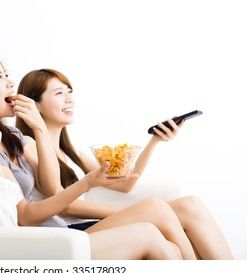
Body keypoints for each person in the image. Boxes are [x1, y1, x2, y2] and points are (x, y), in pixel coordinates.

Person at [0, 65, 181, 260]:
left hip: (28, 243)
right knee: (149, 232)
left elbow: (3, 215)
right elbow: (6, 222)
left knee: (156, 228)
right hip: (21, 251)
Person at [15, 68, 234, 260]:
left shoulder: (72, 153)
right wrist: (124, 211)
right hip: (69, 231)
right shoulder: (30, 144)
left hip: (88, 225)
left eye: (69, 91)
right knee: (155, 207)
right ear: (36, 106)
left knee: (191, 205)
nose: (69, 99)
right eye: (59, 93)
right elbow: (62, 203)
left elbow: (124, 184)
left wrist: (155, 140)